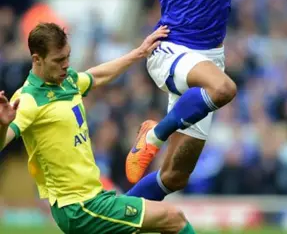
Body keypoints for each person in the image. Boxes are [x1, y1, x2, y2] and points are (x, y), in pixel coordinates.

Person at [21, 0, 280, 200]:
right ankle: (154, 135)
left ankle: (121, 218)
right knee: (224, 89)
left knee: (175, 176)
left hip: (208, 59)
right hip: (169, 49)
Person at [0, 23, 201, 234]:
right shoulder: (28, 99)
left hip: (93, 197)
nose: (66, 65)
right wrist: (3, 125)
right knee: (173, 218)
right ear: (37, 60)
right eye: (59, 60)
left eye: (68, 57)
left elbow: (97, 76)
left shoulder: (66, 81)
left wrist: (138, 53)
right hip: (78, 207)